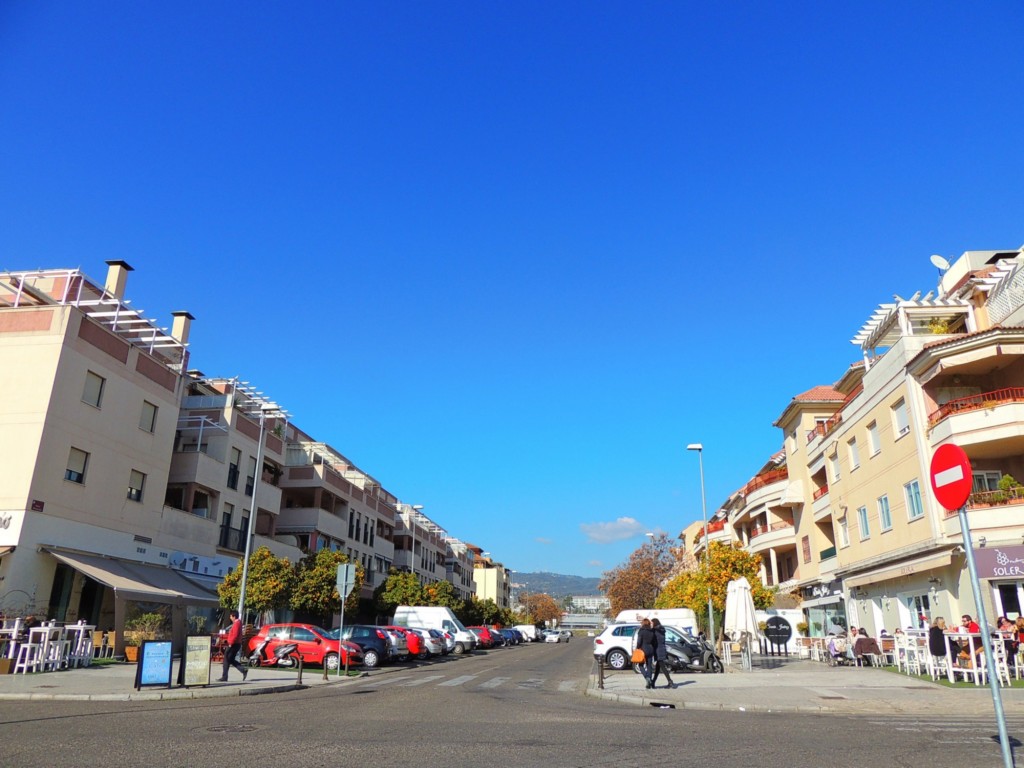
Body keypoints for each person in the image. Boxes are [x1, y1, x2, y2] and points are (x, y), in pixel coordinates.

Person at [218, 610, 247, 683]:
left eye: (231, 616)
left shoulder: (237, 623)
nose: (230, 618)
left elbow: (235, 635)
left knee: (226, 659)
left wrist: (230, 643)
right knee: (230, 659)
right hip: (235, 644)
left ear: (234, 616)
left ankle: (224, 677)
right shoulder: (237, 623)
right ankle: (243, 670)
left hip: (233, 644)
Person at [649, 618, 675, 689]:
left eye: (652, 623)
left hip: (658, 650)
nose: (651, 624)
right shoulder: (661, 629)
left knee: (662, 667)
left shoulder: (657, 630)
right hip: (661, 649)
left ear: (655, 623)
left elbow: (654, 638)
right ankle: (653, 682)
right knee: (658, 667)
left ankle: (670, 681)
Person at [635, 618, 656, 689]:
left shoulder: (641, 631)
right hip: (651, 649)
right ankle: (649, 680)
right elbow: (654, 642)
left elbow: (639, 641)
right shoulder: (652, 631)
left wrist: (637, 648)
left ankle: (647, 678)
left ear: (643, 623)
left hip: (643, 650)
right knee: (649, 665)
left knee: (640, 665)